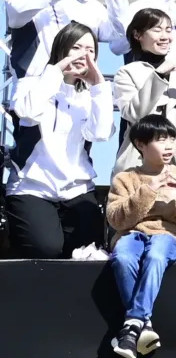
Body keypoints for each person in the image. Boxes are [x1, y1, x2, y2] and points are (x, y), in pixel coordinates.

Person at [106, 115, 176, 358]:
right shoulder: (124, 179)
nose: (169, 146)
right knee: (122, 257)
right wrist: (149, 189)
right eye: (160, 140)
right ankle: (143, 325)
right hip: (132, 234)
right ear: (141, 144)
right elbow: (115, 219)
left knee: (156, 255)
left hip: (168, 235)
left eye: (171, 140)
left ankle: (132, 325)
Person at [5, 22, 113, 258]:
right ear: (61, 48)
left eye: (90, 50)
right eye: (76, 47)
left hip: (77, 188)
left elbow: (101, 133)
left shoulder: (91, 95)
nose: (83, 55)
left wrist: (99, 86)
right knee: (45, 248)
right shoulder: (31, 83)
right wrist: (55, 73)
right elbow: (28, 112)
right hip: (32, 186)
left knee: (87, 251)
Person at [112, 9, 176, 251]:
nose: (165, 36)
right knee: (135, 224)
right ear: (138, 35)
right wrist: (161, 74)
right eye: (157, 29)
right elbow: (135, 114)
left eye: (169, 29)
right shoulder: (127, 72)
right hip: (140, 160)